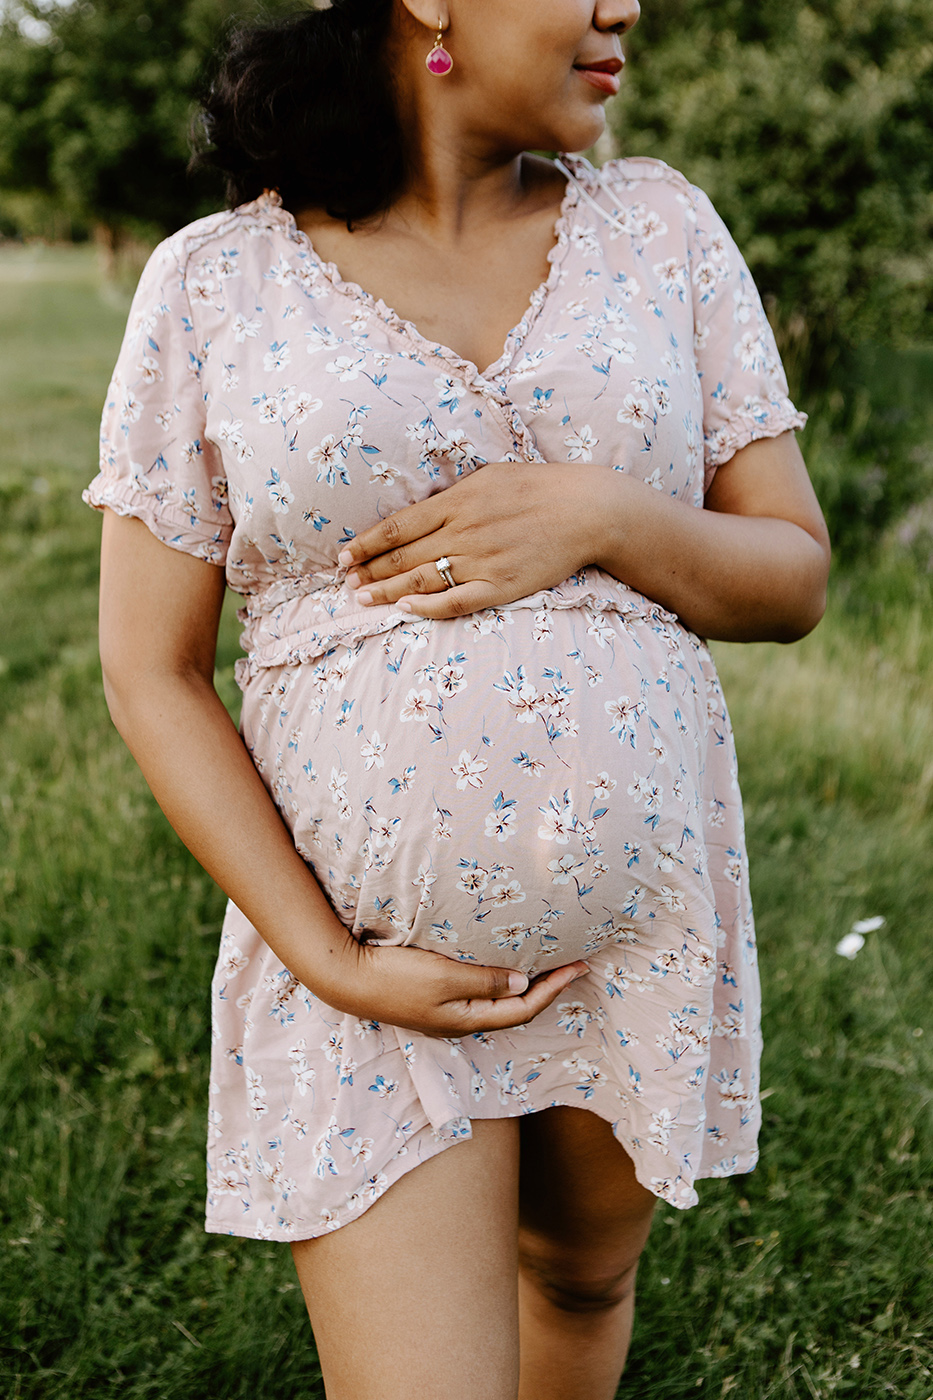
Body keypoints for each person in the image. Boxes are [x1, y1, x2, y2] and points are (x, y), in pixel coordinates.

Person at [85, 1, 830, 1395]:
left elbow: (789, 577)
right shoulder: (215, 280)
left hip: (634, 944)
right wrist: (327, 957)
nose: (624, 8)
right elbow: (149, 665)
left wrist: (603, 515)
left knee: (579, 1270)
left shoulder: (662, 231)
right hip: (365, 975)